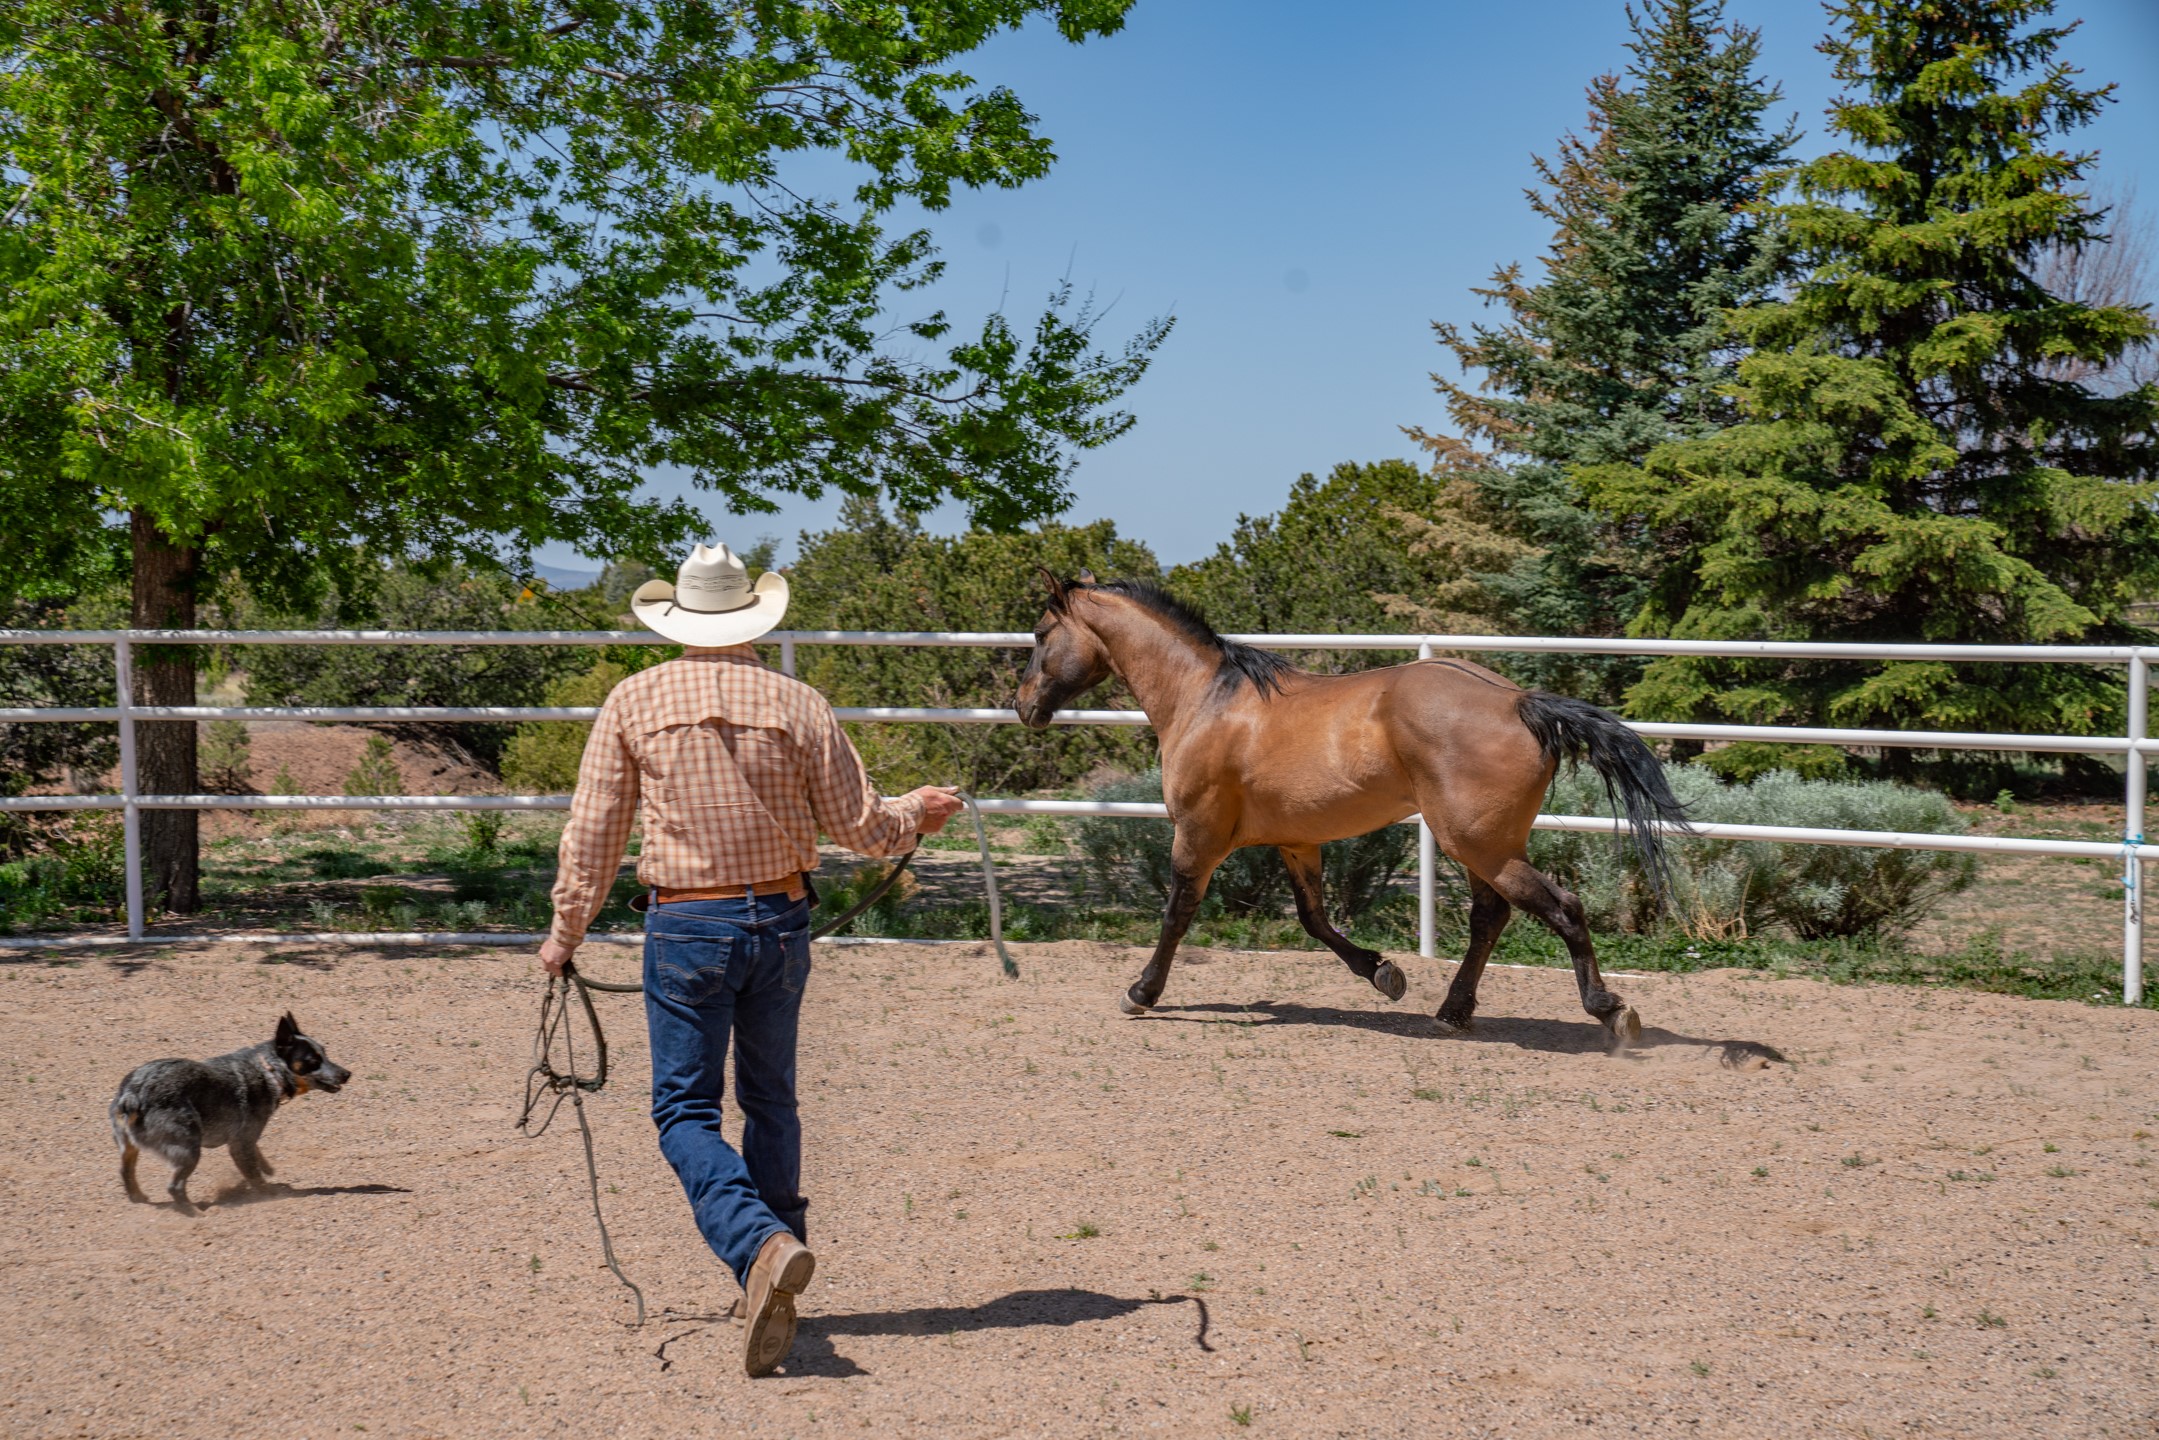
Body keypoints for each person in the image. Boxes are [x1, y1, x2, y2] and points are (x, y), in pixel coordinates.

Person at [539, 542, 963, 1377]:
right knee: (771, 1099)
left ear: (680, 620)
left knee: (684, 1111)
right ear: (752, 617)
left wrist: (565, 934)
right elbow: (861, 827)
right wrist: (919, 814)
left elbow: (593, 833)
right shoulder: (798, 703)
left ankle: (758, 1246)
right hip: (778, 918)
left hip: (687, 923)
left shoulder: (634, 700)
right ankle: (774, 1261)